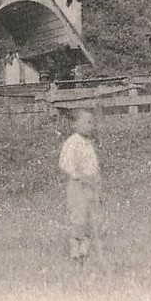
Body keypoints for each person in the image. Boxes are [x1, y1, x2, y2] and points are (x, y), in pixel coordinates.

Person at [58, 108, 102, 262]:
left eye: (92, 123)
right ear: (75, 125)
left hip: (90, 184)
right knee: (79, 216)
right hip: (78, 185)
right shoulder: (72, 142)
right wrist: (78, 175)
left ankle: (85, 249)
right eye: (86, 122)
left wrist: (95, 180)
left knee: (91, 217)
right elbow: (65, 164)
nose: (91, 126)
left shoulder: (88, 143)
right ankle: (75, 250)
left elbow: (93, 164)